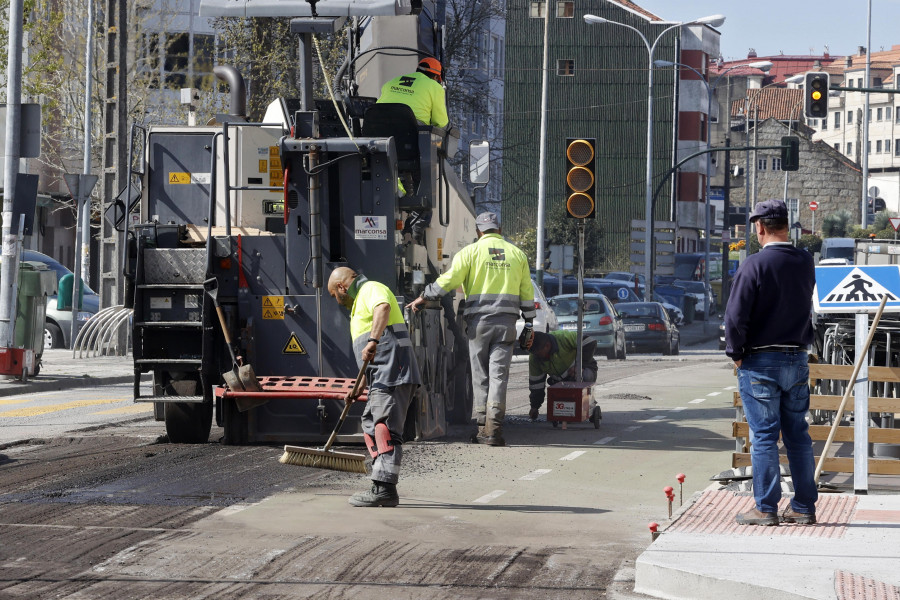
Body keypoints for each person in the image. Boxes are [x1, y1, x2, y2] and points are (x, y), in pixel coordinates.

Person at [724, 199, 817, 526]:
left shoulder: (753, 265)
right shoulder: (805, 261)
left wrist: (736, 354)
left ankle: (765, 508)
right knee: (798, 435)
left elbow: (735, 318)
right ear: (787, 225)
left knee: (764, 436)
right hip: (796, 358)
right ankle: (804, 506)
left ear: (760, 228)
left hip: (760, 361)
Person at [407, 212, 534, 446]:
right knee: (498, 375)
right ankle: (494, 428)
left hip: (479, 324)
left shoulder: (470, 252)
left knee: (480, 375)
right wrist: (529, 322)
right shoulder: (518, 255)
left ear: (478, 231)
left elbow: (449, 280)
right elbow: (527, 292)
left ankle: (482, 426)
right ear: (500, 229)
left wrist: (424, 296)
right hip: (506, 324)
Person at [327, 267, 422, 507]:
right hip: (383, 374)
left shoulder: (371, 288)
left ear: (341, 287)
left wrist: (372, 340)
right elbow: (370, 361)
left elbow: (383, 308)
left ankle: (385, 489)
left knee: (385, 428)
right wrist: (359, 385)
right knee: (370, 424)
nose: (336, 301)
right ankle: (380, 482)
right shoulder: (359, 305)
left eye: (333, 295)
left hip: (394, 372)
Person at [525, 330, 597, 421]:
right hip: (561, 380)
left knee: (586, 376)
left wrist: (579, 366)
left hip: (584, 370)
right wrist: (535, 406)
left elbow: (590, 341)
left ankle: (588, 405)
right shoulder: (534, 358)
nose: (536, 356)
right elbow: (536, 385)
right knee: (557, 391)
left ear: (547, 346)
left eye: (538, 353)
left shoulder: (563, 337)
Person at [376, 57, 449, 129]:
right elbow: (440, 122)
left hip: (379, 124)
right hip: (410, 131)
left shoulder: (392, 81)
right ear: (436, 77)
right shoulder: (435, 86)